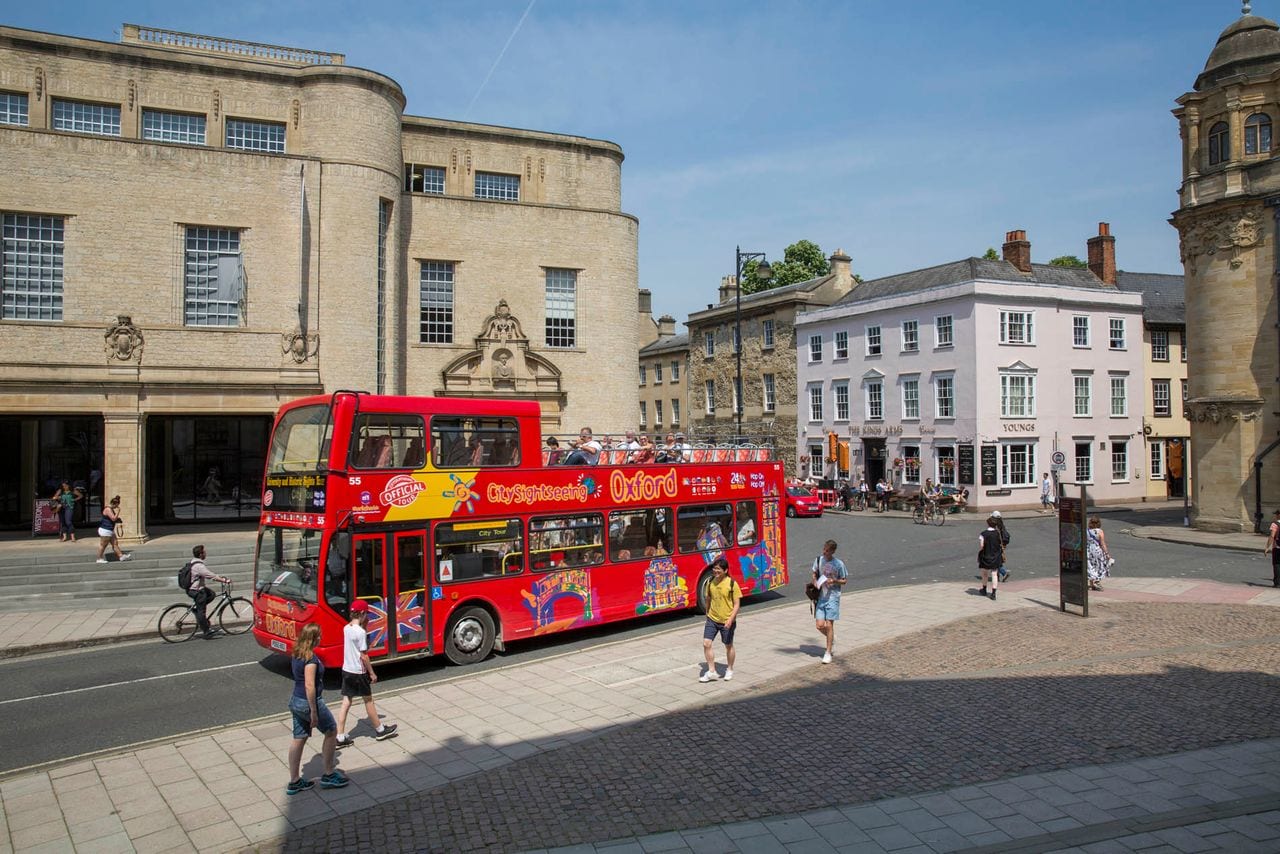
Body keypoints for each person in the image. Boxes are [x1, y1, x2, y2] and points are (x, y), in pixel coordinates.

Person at [286, 623, 349, 795]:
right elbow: (309, 686)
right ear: (313, 638)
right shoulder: (310, 660)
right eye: (319, 635)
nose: (321, 638)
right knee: (331, 731)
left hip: (295, 701)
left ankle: (294, 781)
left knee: (299, 738)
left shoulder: (297, 654)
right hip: (309, 702)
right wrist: (313, 711)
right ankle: (329, 774)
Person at [335, 600, 398, 746]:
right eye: (366, 614)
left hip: (346, 670)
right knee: (368, 700)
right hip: (358, 671)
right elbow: (364, 655)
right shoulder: (361, 632)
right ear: (362, 613)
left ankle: (340, 736)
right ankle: (380, 730)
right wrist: (372, 673)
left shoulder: (346, 628)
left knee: (346, 701)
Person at [699, 556, 741, 682]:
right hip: (712, 619)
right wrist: (707, 612)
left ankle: (729, 669)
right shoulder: (711, 582)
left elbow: (737, 604)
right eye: (714, 569)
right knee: (706, 643)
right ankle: (712, 671)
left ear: (725, 570)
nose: (715, 571)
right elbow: (708, 598)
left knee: (728, 646)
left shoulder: (732, 584)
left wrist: (730, 619)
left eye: (718, 569)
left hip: (727, 620)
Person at [812, 540, 848, 663]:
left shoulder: (838, 564)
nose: (824, 552)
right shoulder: (819, 560)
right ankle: (831, 637)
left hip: (833, 597)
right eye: (824, 549)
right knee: (819, 625)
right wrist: (815, 582)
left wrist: (834, 581)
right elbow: (814, 573)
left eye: (827, 550)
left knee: (829, 625)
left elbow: (844, 580)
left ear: (833, 551)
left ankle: (828, 652)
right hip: (821, 597)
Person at [187, 545, 231, 639]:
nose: (206, 553)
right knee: (201, 611)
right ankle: (206, 631)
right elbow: (210, 575)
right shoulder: (199, 566)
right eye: (204, 552)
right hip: (197, 591)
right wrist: (223, 580)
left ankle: (198, 609)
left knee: (211, 594)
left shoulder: (193, 562)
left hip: (194, 588)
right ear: (201, 554)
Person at [95, 495, 132, 563]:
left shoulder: (111, 509)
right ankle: (99, 558)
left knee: (115, 543)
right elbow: (113, 518)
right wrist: (118, 512)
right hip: (105, 530)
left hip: (110, 530)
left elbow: (113, 519)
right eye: (116, 506)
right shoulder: (108, 509)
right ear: (114, 504)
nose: (116, 507)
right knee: (103, 545)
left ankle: (121, 556)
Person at [977, 517, 1002, 600]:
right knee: (994, 574)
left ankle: (984, 589)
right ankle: (994, 593)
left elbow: (981, 546)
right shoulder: (997, 533)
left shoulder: (983, 534)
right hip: (995, 556)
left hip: (986, 555)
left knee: (984, 573)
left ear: (988, 524)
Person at [1086, 515, 1112, 591]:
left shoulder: (1086, 531)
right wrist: (1107, 554)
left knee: (1091, 566)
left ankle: (1091, 584)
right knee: (1099, 566)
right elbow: (1102, 544)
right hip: (1097, 550)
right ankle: (1097, 582)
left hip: (1088, 550)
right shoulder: (1100, 531)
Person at [992, 510, 1011, 582]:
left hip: (997, 545)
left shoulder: (995, 525)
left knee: (995, 560)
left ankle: (1004, 572)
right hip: (1002, 544)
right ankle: (997, 576)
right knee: (998, 559)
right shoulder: (1001, 524)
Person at [1265, 509, 1280, 588]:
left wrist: (1267, 547)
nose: (1275, 516)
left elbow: (1272, 536)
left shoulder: (1275, 524)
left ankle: (1277, 583)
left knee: (1277, 564)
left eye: (1276, 514)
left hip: (1277, 547)